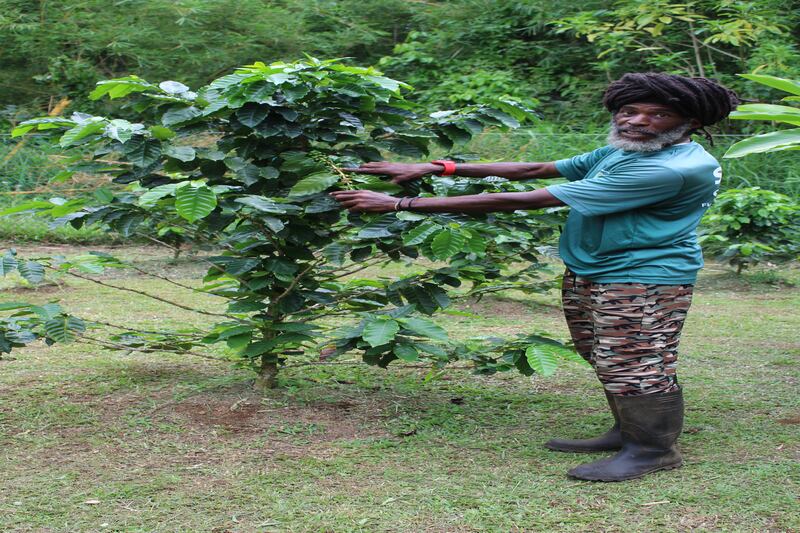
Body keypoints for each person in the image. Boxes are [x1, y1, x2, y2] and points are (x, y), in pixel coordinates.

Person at [331, 72, 739, 481]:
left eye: (658, 114)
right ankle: (626, 432)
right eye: (629, 110)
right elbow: (535, 169)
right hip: (595, 266)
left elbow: (526, 199)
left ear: (692, 123)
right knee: (603, 353)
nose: (636, 121)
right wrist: (441, 166)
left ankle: (652, 450)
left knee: (635, 361)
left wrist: (402, 202)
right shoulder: (630, 151)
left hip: (642, 275)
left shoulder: (670, 169)